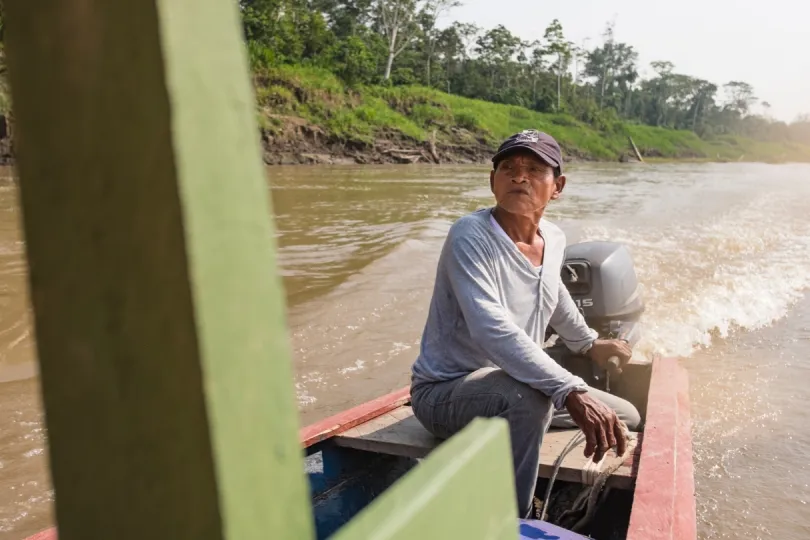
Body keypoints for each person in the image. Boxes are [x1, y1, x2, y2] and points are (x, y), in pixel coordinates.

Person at [409, 129, 641, 519]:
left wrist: (587, 343)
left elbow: (554, 295)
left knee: (625, 417)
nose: (520, 177)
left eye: (534, 169)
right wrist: (568, 389)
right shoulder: (470, 236)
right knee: (527, 400)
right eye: (509, 168)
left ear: (557, 186)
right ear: (493, 180)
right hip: (444, 395)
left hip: (513, 385)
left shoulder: (553, 236)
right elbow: (491, 327)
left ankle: (515, 438)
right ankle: (515, 518)